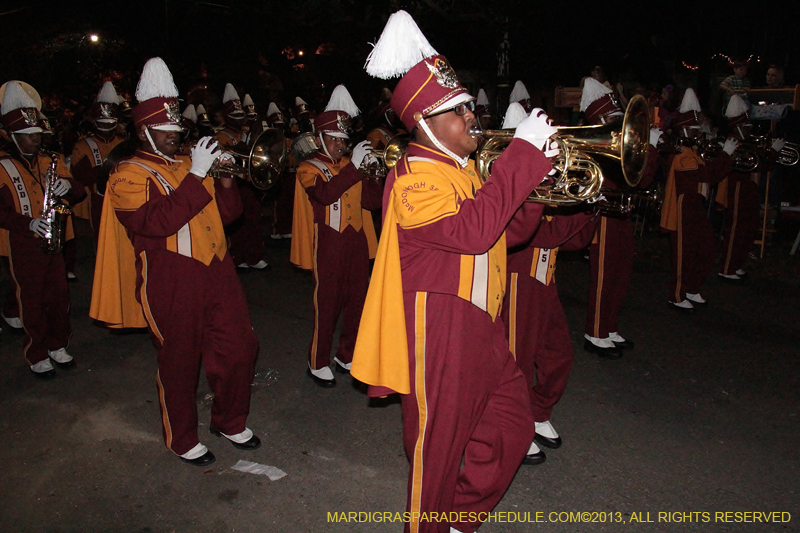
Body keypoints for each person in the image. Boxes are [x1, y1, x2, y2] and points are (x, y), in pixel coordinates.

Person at [351, 11, 560, 533]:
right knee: (436, 451)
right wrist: (519, 161)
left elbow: (501, 235)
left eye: (469, 107)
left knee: (512, 428)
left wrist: (533, 184)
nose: (472, 117)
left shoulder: (461, 170)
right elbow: (469, 232)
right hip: (439, 329)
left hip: (482, 325)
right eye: (459, 110)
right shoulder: (413, 178)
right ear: (425, 122)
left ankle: (456, 521)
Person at [90, 58, 260, 466]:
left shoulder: (188, 161)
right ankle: (181, 437)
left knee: (240, 348)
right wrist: (197, 174)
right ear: (144, 130)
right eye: (164, 131)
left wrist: (223, 177)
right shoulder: (126, 174)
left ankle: (229, 419)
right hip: (170, 277)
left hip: (217, 270)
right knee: (179, 360)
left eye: (175, 130)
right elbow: (153, 222)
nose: (173, 136)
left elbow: (231, 214)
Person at [290, 85, 380, 387]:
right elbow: (325, 195)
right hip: (328, 241)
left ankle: (346, 353)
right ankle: (317, 361)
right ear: (320, 139)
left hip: (356, 240)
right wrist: (355, 167)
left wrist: (375, 176)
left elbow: (371, 203)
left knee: (358, 300)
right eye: (335, 139)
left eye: (344, 140)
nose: (341, 145)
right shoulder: (308, 167)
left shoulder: (349, 165)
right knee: (327, 303)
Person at [0, 80, 86, 377]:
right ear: (13, 137)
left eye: (38, 134)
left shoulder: (50, 160)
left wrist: (68, 186)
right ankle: (35, 352)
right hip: (23, 242)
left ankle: (58, 344)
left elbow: (80, 191)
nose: (36, 139)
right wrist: (28, 223)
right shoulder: (2, 167)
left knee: (59, 295)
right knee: (32, 299)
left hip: (55, 238)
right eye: (29, 136)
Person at [503, 212, 598, 465]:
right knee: (516, 362)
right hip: (520, 277)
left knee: (558, 354)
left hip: (544, 278)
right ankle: (512, 431)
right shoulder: (533, 185)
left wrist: (593, 209)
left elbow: (574, 242)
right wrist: (583, 207)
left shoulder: (555, 187)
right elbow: (543, 234)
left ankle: (537, 413)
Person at [660, 88, 736, 310]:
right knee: (683, 253)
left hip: (696, 206)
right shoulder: (682, 153)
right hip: (684, 207)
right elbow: (705, 176)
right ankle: (677, 294)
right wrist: (726, 156)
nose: (698, 132)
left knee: (704, 248)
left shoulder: (692, 150)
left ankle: (692, 288)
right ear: (685, 130)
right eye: (694, 129)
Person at [717, 95, 784, 281]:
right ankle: (727, 268)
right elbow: (754, 164)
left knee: (748, 229)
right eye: (746, 126)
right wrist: (771, 153)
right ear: (738, 125)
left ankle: (737, 263)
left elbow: (763, 164)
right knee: (736, 229)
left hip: (750, 189)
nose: (749, 128)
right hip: (738, 189)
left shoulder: (746, 141)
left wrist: (770, 153)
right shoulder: (734, 142)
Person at [217, 83, 269, 270]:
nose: (239, 120)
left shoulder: (243, 133)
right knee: (236, 223)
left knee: (253, 219)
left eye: (240, 116)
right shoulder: (221, 136)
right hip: (233, 183)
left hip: (246, 181)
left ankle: (255, 256)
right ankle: (237, 257)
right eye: (235, 117)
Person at [70, 81, 126, 244]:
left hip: (124, 196)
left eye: (109, 123)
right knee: (103, 240)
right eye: (102, 122)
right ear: (95, 121)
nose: (106, 126)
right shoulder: (83, 145)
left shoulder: (124, 143)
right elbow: (80, 176)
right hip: (98, 200)